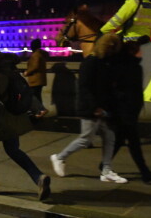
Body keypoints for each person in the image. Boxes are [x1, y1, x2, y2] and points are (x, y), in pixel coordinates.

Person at [0, 45, 51, 201]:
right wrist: (38, 108)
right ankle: (39, 177)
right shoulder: (13, 73)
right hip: (13, 119)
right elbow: (25, 91)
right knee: (14, 150)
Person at [50, 34, 128, 183]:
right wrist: (94, 107)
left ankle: (106, 170)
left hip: (101, 107)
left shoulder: (101, 62)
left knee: (109, 137)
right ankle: (60, 157)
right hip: (91, 108)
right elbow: (84, 87)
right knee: (86, 138)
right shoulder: (92, 62)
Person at [112, 39, 151, 183]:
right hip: (126, 111)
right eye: (138, 50)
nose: (141, 52)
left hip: (128, 110)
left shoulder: (132, 66)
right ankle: (145, 173)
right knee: (134, 143)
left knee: (119, 141)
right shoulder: (129, 67)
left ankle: (104, 165)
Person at [23, 38, 49, 113]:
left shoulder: (36, 55)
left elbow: (35, 66)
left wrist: (27, 72)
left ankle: (41, 110)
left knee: (34, 96)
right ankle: (39, 111)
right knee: (37, 96)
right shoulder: (41, 54)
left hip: (35, 79)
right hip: (40, 79)